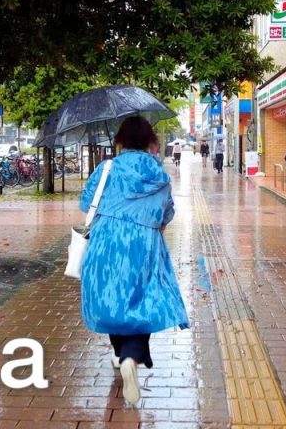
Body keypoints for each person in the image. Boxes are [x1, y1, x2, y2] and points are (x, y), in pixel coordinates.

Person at [79, 116, 189, 405]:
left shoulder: (107, 168)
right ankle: (130, 355)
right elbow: (167, 213)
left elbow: (85, 203)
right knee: (144, 301)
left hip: (106, 242)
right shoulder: (159, 174)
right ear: (149, 141)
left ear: (120, 140)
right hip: (145, 245)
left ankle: (120, 353)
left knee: (112, 300)